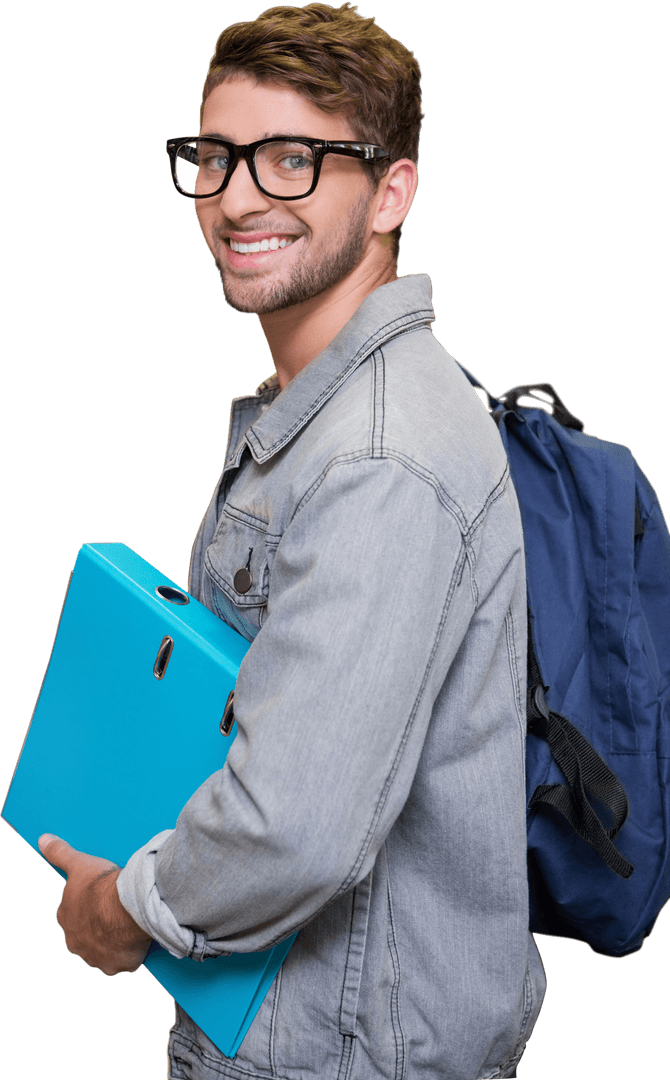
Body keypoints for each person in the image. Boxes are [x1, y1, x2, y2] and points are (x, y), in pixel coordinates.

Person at [38, 4, 546, 1078]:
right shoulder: (324, 408)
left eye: (291, 160)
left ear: (390, 193)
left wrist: (119, 910)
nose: (236, 198)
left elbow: (294, 828)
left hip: (344, 1054)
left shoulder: (376, 453)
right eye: (214, 157)